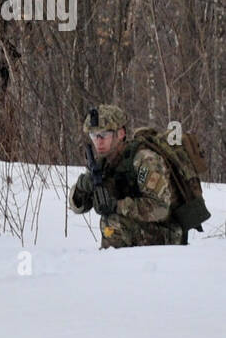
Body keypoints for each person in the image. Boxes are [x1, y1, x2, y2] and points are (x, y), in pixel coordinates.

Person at [68, 104, 184, 248]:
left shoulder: (144, 159)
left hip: (167, 234)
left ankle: (120, 265)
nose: (98, 142)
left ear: (121, 134)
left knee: (112, 223)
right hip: (136, 230)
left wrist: (118, 206)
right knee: (110, 223)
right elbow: (78, 208)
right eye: (93, 136)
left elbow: (159, 209)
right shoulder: (102, 163)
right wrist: (81, 188)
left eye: (104, 135)